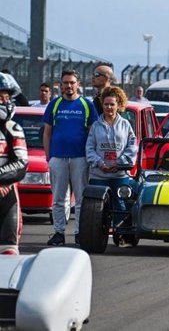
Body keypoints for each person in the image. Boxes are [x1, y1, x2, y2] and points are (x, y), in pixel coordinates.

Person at [42, 70, 97, 247]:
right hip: (58, 158)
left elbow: (92, 133)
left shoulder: (87, 105)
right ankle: (59, 232)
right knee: (58, 198)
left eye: (72, 82)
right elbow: (47, 132)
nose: (68, 86)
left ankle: (80, 233)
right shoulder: (54, 104)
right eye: (65, 83)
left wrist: (90, 156)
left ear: (78, 84)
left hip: (80, 158)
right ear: (60, 85)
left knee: (81, 199)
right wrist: (48, 156)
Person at [85, 86, 137, 237]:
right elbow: (89, 148)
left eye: (112, 104)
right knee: (96, 209)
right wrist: (100, 163)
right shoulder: (95, 126)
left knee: (121, 206)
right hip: (98, 175)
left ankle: (121, 235)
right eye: (106, 104)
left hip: (119, 175)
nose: (109, 107)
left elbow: (132, 146)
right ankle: (97, 236)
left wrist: (118, 163)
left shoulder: (126, 125)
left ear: (118, 105)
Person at [0, 74, 28, 255]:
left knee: (8, 251)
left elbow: (21, 164)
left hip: (5, 194)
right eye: (0, 97)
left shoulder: (13, 128)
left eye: (7, 97)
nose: (5, 101)